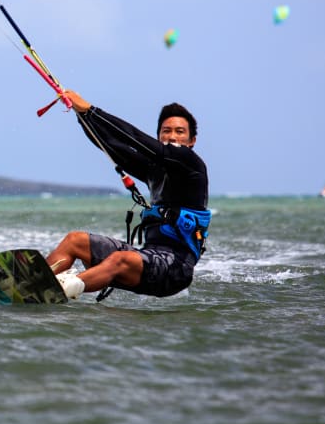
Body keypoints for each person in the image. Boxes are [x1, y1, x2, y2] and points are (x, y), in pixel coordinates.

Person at [47, 91, 210, 300]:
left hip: (175, 269)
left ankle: (62, 289)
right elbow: (111, 146)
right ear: (159, 135)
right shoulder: (154, 169)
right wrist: (82, 116)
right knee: (75, 240)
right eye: (166, 131)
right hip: (148, 257)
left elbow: (135, 138)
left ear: (192, 140)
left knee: (120, 259)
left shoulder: (192, 164)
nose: (172, 136)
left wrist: (91, 110)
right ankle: (34, 284)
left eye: (180, 132)